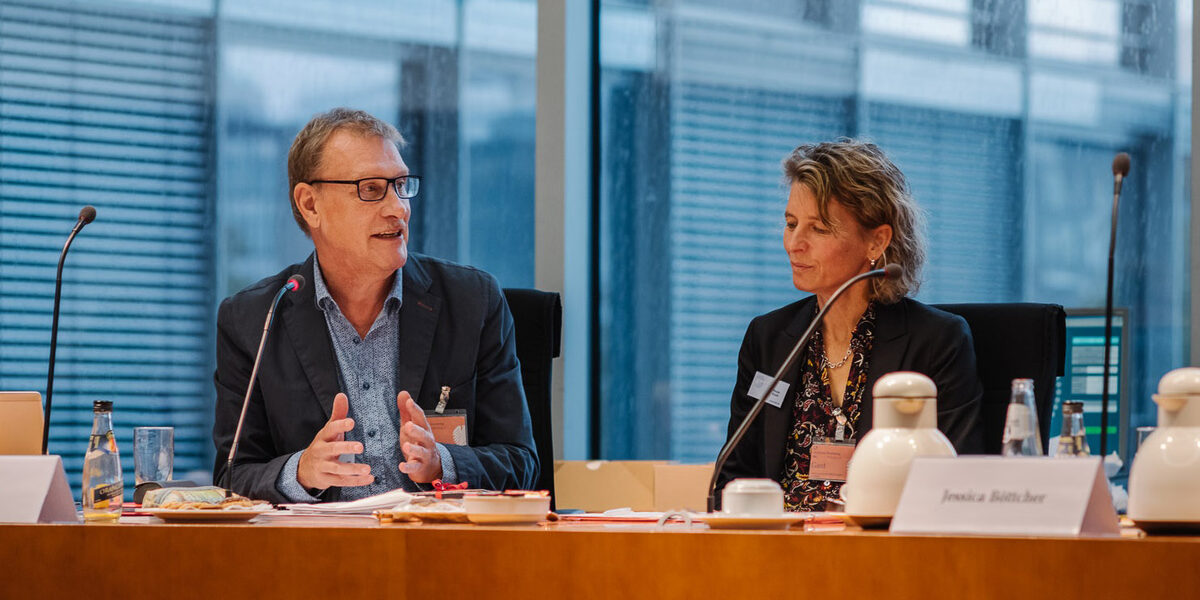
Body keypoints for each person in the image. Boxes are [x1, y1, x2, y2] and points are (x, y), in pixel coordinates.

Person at [212, 108, 537, 503]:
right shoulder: (254, 319)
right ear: (310, 204)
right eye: (371, 189)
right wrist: (301, 471)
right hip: (318, 554)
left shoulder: (472, 302)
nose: (398, 207)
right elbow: (232, 474)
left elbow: (521, 464)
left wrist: (442, 464)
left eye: (401, 185)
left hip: (440, 551)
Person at [715, 140, 983, 512]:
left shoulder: (936, 342)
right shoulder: (769, 338)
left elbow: (955, 489)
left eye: (819, 229)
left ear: (877, 241)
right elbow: (731, 479)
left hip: (880, 555)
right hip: (777, 552)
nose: (795, 243)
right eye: (791, 224)